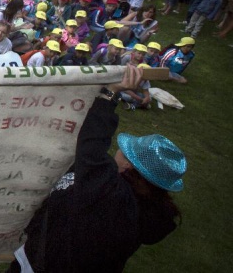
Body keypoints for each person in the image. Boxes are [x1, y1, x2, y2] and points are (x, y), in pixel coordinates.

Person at [9, 66, 185, 273]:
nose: (118, 151)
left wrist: (110, 92)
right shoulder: (150, 209)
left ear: (129, 164)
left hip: (44, 264)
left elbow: (92, 140)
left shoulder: (107, 189)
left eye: (126, 150)